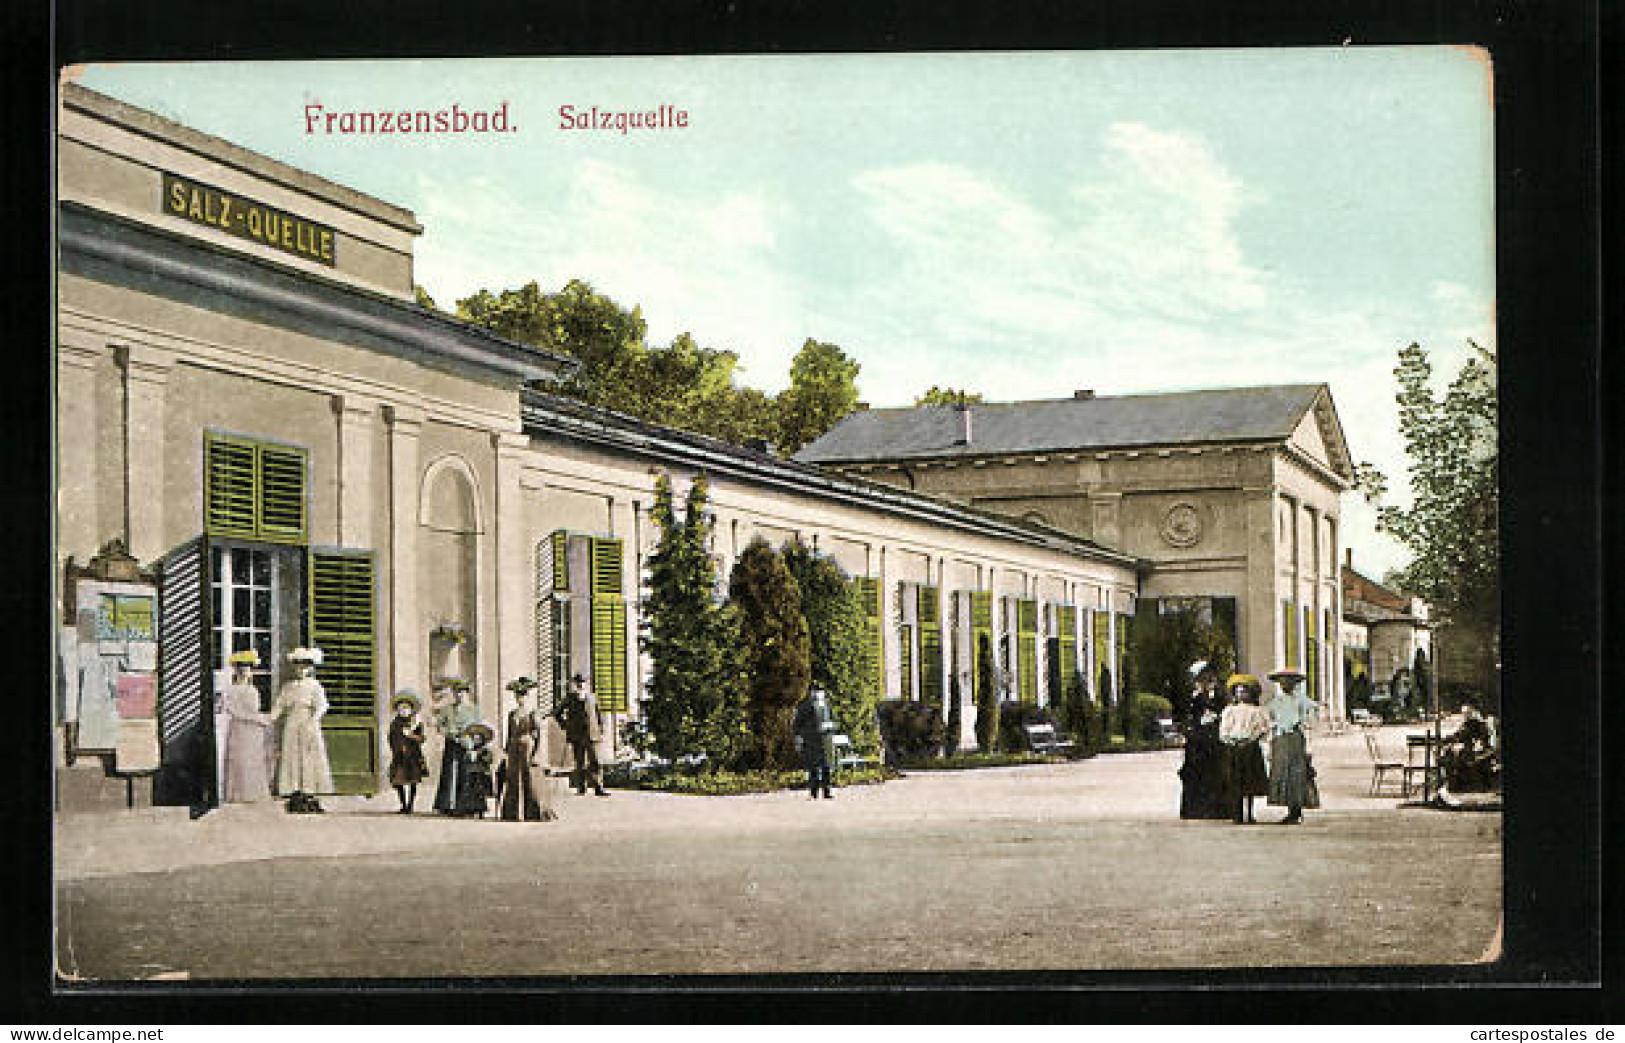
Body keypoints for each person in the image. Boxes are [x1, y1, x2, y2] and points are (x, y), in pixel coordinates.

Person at [271, 647, 333, 813]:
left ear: (311, 668)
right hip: (292, 723)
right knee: (292, 757)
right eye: (298, 666)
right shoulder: (288, 687)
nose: (301, 670)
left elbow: (322, 706)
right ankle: (294, 793)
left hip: (308, 723)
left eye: (305, 667)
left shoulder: (314, 686)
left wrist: (313, 721)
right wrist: (269, 719)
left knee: (308, 758)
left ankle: (310, 794)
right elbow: (279, 706)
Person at [1265, 667, 1319, 824]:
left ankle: (1296, 809)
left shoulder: (1301, 700)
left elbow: (1313, 711)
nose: (1285, 684)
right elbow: (1269, 717)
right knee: (1283, 773)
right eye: (1282, 682)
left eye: (1288, 681)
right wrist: (1274, 728)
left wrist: (1302, 723)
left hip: (1295, 739)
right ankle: (1289, 808)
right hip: (1281, 739)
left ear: (1295, 683)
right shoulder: (1276, 701)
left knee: (1296, 773)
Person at [1177, 661, 1229, 819]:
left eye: (1207, 677)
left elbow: (1226, 712)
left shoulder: (1220, 696)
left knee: (1216, 773)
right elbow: (1184, 717)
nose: (1204, 682)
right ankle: (1195, 809)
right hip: (1196, 741)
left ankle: (1218, 809)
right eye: (1200, 678)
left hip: (1215, 740)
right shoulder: (1191, 698)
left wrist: (1216, 718)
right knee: (1195, 774)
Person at [498, 681, 557, 821]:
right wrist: (506, 751)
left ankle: (532, 811)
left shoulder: (533, 713)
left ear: (527, 697)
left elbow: (538, 734)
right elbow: (509, 733)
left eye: (522, 696)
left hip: (527, 747)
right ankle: (512, 812)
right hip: (514, 748)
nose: (520, 699)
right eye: (517, 696)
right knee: (513, 778)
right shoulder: (512, 714)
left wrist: (536, 753)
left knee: (529, 778)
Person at [1218, 673, 1272, 824]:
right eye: (1238, 692)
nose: (1241, 695)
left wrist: (1252, 738)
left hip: (1250, 747)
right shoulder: (1229, 710)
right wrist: (1230, 739)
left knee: (1250, 782)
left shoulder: (1257, 711)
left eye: (1244, 691)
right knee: (1236, 782)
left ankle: (1250, 813)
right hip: (1234, 747)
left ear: (1251, 693)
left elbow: (1264, 728)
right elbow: (1224, 730)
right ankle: (1237, 814)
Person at [220, 649, 272, 804]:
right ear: (236, 671)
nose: (244, 671)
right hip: (239, 729)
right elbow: (233, 710)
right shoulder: (230, 690)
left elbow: (253, 710)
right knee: (239, 760)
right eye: (240, 668)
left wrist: (260, 719)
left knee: (252, 760)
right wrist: (258, 718)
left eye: (247, 668)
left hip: (252, 731)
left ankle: (252, 792)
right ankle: (238, 794)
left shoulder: (253, 690)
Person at [432, 683, 480, 815]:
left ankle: (468, 806)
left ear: (467, 694)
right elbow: (438, 725)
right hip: (452, 744)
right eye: (457, 693)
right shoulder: (447, 709)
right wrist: (448, 732)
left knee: (467, 774)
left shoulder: (473, 710)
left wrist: (473, 742)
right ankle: (449, 805)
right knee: (451, 774)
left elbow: (479, 728)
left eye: (462, 693)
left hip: (467, 745)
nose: (459, 695)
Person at [562, 674, 609, 797]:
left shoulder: (592, 698)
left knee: (596, 761)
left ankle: (599, 787)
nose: (580, 685)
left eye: (582, 682)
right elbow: (557, 712)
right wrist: (566, 725)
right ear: (574, 684)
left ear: (586, 684)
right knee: (580, 762)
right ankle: (581, 788)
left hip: (592, 734)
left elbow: (599, 715)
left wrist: (601, 730)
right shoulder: (570, 698)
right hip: (577, 735)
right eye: (578, 682)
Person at [387, 689, 430, 814]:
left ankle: (411, 805)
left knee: (413, 780)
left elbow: (422, 739)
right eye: (400, 709)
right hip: (399, 756)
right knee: (398, 780)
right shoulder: (395, 724)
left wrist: (411, 735)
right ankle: (403, 804)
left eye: (406, 709)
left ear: (411, 710)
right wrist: (397, 748)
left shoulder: (415, 724)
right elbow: (391, 737)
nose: (403, 711)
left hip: (413, 756)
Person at [1439, 703, 1498, 792]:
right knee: (1450, 755)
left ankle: (1459, 784)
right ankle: (1454, 784)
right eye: (1465, 714)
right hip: (1469, 750)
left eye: (1467, 713)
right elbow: (1459, 735)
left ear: (1472, 713)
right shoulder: (1466, 724)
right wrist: (1448, 739)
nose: (1466, 716)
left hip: (1478, 751)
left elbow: (1483, 739)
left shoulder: (1479, 725)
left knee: (1459, 758)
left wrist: (1479, 745)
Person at [793, 687, 838, 800]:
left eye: (822, 692)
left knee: (826, 768)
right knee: (813, 768)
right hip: (812, 741)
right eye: (817, 692)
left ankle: (827, 792)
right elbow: (798, 724)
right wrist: (801, 737)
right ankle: (813, 793)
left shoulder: (827, 705)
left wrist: (831, 726)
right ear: (813, 693)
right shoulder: (806, 706)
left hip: (827, 740)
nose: (820, 694)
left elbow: (835, 721)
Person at [453, 721, 496, 818]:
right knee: (469, 792)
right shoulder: (470, 750)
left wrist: (481, 757)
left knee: (479, 793)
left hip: (480, 773)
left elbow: (489, 760)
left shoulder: (485, 750)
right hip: (471, 773)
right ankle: (469, 809)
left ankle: (480, 810)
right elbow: (465, 760)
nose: (476, 741)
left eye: (478, 739)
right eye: (474, 739)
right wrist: (469, 757)